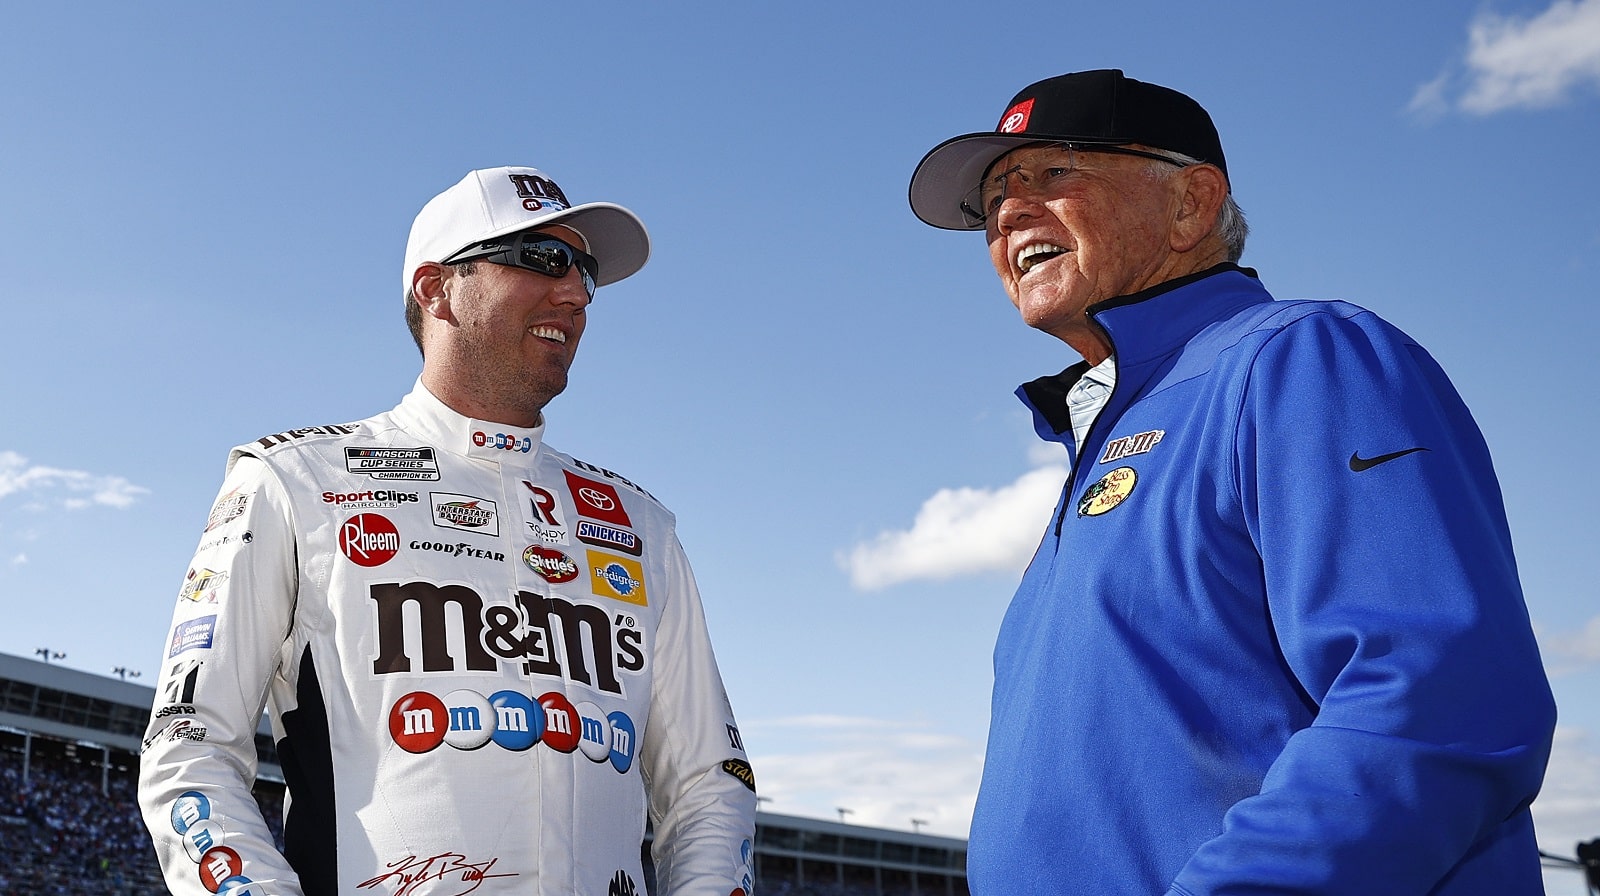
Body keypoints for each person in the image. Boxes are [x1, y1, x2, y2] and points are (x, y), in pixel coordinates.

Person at [908, 70, 1555, 895]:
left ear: (1191, 203)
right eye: (996, 194)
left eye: (1053, 172)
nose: (1010, 211)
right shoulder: (1109, 441)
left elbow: (1441, 699)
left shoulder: (1303, 359)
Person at [138, 166, 758, 896]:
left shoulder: (641, 526)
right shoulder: (292, 482)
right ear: (436, 289)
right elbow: (189, 750)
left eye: (584, 272)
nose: (576, 294)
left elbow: (709, 786)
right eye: (542, 260)